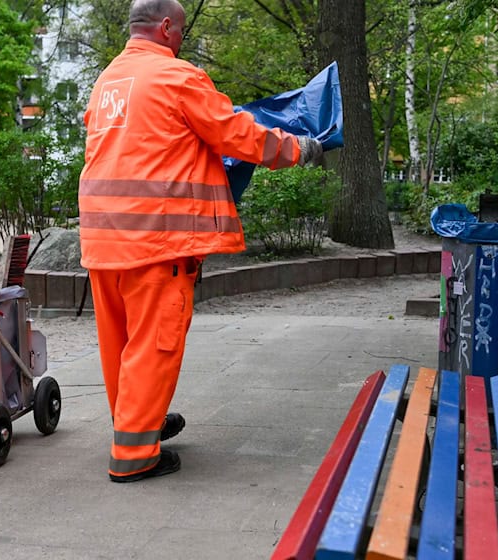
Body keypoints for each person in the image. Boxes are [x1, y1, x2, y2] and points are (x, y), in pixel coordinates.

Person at [78, 0, 323, 483]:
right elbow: (236, 134)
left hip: (104, 238)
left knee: (122, 344)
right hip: (158, 241)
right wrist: (299, 148)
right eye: (183, 31)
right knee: (154, 345)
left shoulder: (108, 81)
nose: (183, 40)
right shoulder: (177, 77)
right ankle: (134, 457)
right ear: (167, 27)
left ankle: (136, 422)